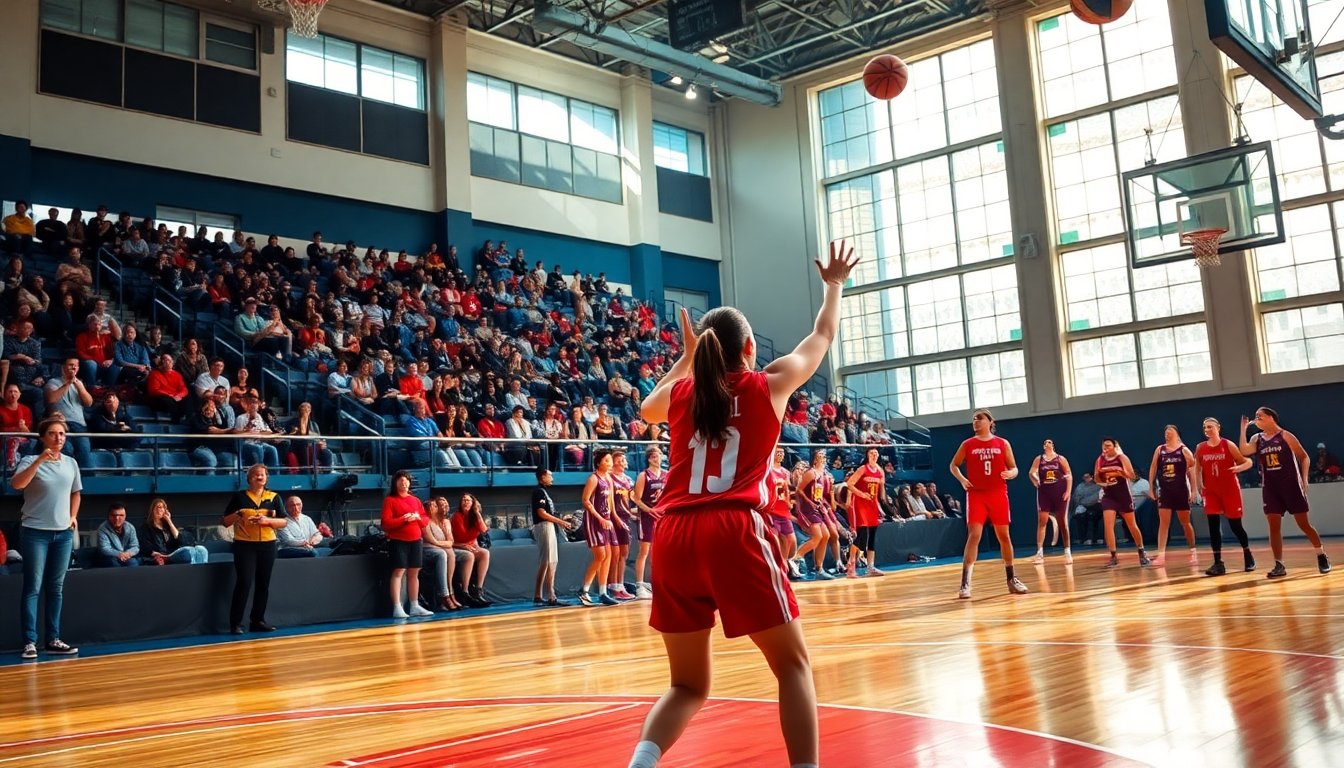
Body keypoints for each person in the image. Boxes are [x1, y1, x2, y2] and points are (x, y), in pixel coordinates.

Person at [626, 240, 857, 768]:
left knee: (686, 685)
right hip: (733, 528)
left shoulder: (682, 394)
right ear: (750, 348)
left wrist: (684, 359)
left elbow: (645, 409)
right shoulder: (768, 385)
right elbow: (822, 334)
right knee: (794, 667)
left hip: (674, 535)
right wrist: (834, 284)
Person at [12, 416, 82, 660]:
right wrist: (40, 459)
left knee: (56, 587)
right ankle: (30, 642)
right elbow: (17, 484)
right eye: (53, 433)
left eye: (62, 434)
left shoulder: (71, 463)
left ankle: (53, 639)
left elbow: (76, 493)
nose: (58, 438)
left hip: (63, 534)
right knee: (32, 587)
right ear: (42, 437)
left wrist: (73, 516)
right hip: (34, 532)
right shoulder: (30, 460)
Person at [1239, 408, 1331, 578]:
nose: (1256, 418)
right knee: (1273, 526)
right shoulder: (1256, 439)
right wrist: (1243, 430)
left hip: (1291, 486)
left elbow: (1304, 457)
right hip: (1271, 488)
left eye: (1260, 416)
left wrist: (1304, 479)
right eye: (1256, 416)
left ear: (1271, 418)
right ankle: (1279, 564)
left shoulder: (1286, 436)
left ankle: (1321, 555)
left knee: (1304, 524)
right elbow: (1244, 451)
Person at [949, 408, 1028, 599]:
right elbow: (953, 465)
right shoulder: (968, 444)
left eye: (979, 419)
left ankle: (1011, 579)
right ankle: (965, 583)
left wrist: (1011, 473)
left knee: (1004, 535)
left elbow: (1015, 468)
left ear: (990, 422)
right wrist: (962, 479)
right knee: (974, 535)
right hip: (976, 495)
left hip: (998, 493)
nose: (975, 422)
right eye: (974, 419)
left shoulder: (1002, 443)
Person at [221, 464, 286, 635]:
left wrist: (268, 521)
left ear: (266, 478)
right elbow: (225, 521)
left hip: (268, 544)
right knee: (244, 582)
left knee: (263, 584)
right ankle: (235, 623)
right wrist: (239, 514)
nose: (260, 477)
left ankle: (257, 620)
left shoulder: (274, 497)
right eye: (256, 475)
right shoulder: (240, 496)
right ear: (249, 478)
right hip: (244, 545)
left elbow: (284, 522)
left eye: (263, 475)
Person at [1195, 417, 1256, 576]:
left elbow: (1247, 461)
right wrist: (1198, 485)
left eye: (1210, 427)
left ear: (1218, 428)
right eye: (1205, 427)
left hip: (1229, 490)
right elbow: (1197, 468)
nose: (1207, 430)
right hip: (1211, 492)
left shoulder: (1228, 445)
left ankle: (1248, 555)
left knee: (1236, 526)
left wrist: (1239, 468)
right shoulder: (1200, 448)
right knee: (1213, 527)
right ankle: (1218, 563)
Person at [381, 470, 433, 619]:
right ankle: (397, 606)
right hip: (398, 541)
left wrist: (416, 518)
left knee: (414, 573)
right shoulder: (390, 500)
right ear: (395, 483)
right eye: (400, 481)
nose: (404, 483)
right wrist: (404, 519)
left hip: (416, 540)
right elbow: (386, 523)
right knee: (398, 572)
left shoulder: (415, 500)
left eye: (406, 481)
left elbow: (425, 521)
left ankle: (414, 604)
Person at [1147, 425, 1199, 567]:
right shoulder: (1160, 450)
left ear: (1177, 434)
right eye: (1165, 432)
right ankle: (1161, 555)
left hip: (1181, 491)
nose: (1167, 434)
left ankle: (1193, 551)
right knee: (1163, 524)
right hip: (1165, 491)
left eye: (1170, 431)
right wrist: (1151, 488)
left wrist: (1194, 490)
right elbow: (1153, 468)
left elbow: (1192, 470)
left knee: (1185, 523)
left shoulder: (1184, 450)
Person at [1095, 438, 1150, 569]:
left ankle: (1141, 551)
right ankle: (1113, 556)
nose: (1105, 448)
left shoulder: (1122, 458)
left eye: (1108, 445)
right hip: (1109, 496)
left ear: (1114, 447)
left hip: (1124, 496)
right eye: (1104, 446)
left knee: (1132, 525)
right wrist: (1104, 483)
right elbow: (1096, 478)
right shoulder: (1100, 460)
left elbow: (1131, 475)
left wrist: (1120, 472)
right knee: (1108, 526)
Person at [578, 448, 620, 605]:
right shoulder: (593, 479)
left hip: (606, 520)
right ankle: (584, 590)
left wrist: (611, 517)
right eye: (607, 460)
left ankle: (603, 592)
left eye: (610, 460)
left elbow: (609, 502)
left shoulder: (608, 478)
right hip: (594, 521)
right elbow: (585, 500)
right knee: (600, 556)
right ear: (599, 462)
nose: (610, 463)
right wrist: (600, 518)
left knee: (609, 555)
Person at [531, 468, 575, 606]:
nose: (552, 478)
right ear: (542, 477)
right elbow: (542, 513)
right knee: (550, 561)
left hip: (547, 525)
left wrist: (560, 519)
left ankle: (538, 595)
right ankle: (551, 596)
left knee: (546, 562)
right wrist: (561, 522)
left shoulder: (542, 492)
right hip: (544, 526)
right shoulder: (539, 492)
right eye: (550, 476)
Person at [790, 450, 834, 580]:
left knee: (826, 535)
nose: (823, 458)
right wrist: (810, 502)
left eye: (824, 456)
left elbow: (821, 494)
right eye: (820, 456)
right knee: (817, 536)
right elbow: (799, 490)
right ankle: (796, 558)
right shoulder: (810, 473)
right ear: (814, 459)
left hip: (817, 507)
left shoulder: (823, 474)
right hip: (807, 508)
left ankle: (819, 569)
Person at [843, 447, 886, 578]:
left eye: (876, 453)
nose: (874, 455)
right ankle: (851, 566)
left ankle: (870, 567)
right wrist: (861, 494)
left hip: (872, 505)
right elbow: (849, 484)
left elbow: (881, 492)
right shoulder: (863, 469)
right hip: (860, 504)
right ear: (867, 455)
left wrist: (883, 507)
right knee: (861, 535)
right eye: (872, 453)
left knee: (872, 535)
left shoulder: (880, 471)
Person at [1029, 439, 1073, 564]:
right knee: (1042, 520)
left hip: (1059, 493)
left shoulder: (1060, 459)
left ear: (1053, 445)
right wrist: (1035, 480)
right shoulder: (1039, 459)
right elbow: (1031, 472)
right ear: (1043, 446)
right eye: (1045, 443)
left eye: (1050, 442)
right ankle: (1039, 553)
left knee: (1062, 522)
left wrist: (1068, 491)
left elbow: (1069, 475)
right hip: (1044, 493)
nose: (1047, 444)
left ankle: (1067, 552)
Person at [631, 446, 666, 597]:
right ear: (650, 458)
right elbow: (636, 499)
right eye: (656, 455)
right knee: (644, 551)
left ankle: (658, 582)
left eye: (659, 454)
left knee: (658, 552)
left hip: (662, 516)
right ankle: (639, 585)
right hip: (647, 516)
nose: (658, 457)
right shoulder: (643, 476)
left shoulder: (666, 474)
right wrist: (649, 510)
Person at [422, 497, 466, 611]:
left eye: (436, 506)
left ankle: (455, 592)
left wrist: (445, 543)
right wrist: (444, 544)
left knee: (450, 553)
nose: (435, 508)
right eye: (433, 506)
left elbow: (450, 541)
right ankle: (445, 595)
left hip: (441, 548)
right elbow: (431, 541)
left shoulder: (441, 522)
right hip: (428, 550)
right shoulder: (425, 521)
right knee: (445, 553)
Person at [764, 447, 801, 580]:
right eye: (777, 452)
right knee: (776, 541)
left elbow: (789, 490)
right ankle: (778, 569)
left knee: (791, 541)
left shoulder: (785, 472)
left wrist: (791, 502)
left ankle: (786, 564)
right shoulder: (767, 470)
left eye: (782, 453)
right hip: (772, 511)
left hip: (784, 510)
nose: (780, 455)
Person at [450, 493, 493, 607]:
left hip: (470, 546)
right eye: (463, 500)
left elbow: (484, 530)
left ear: (473, 503)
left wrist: (478, 514)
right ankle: (465, 591)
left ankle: (478, 590)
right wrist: (467, 544)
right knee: (470, 555)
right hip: (457, 545)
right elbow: (463, 535)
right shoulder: (457, 516)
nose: (465, 502)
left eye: (468, 500)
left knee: (485, 553)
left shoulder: (474, 517)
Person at [607, 450, 637, 601]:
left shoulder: (628, 480)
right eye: (620, 459)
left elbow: (633, 501)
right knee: (615, 554)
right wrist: (615, 517)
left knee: (624, 554)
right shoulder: (610, 478)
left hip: (626, 519)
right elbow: (608, 502)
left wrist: (638, 512)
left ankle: (620, 585)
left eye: (624, 459)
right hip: (614, 519)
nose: (623, 462)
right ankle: (613, 586)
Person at [139, 498, 208, 565]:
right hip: (161, 555)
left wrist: (169, 520)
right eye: (157, 507)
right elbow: (145, 546)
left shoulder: (168, 525)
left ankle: (200, 572)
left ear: (165, 511)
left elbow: (179, 539)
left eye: (161, 507)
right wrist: (154, 553)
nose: (159, 509)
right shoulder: (146, 527)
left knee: (201, 549)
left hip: (173, 553)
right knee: (188, 551)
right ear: (152, 510)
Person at [95, 502, 140, 567]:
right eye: (114, 515)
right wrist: (119, 554)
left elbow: (135, 546)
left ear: (125, 516)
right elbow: (104, 548)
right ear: (109, 516)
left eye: (121, 515)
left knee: (133, 562)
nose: (117, 518)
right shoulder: (102, 528)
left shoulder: (130, 527)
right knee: (113, 563)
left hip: (127, 557)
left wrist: (127, 554)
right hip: (109, 558)